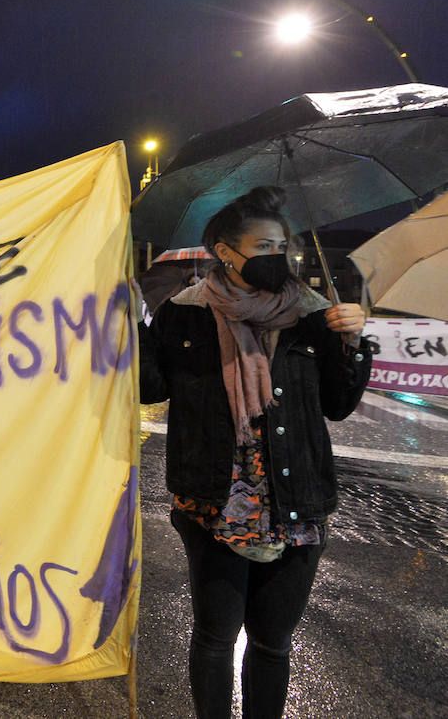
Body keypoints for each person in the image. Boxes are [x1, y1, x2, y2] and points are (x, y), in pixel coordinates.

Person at [138, 186, 370, 718]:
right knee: (216, 636)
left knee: (272, 643)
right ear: (224, 250)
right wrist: (136, 332)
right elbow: (151, 388)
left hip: (297, 506)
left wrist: (355, 344)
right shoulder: (185, 313)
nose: (277, 256)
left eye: (282, 245)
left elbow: (337, 405)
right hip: (214, 502)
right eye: (263, 245)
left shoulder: (314, 315)